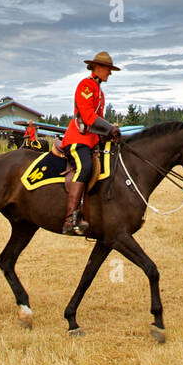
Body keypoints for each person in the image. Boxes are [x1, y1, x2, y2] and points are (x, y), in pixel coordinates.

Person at [60, 51, 122, 235]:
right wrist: (109, 128)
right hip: (77, 140)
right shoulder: (86, 86)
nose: (109, 73)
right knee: (85, 167)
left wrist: (110, 134)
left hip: (91, 141)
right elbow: (87, 116)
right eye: (108, 70)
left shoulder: (99, 91)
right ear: (99, 68)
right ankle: (70, 219)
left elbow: (99, 119)